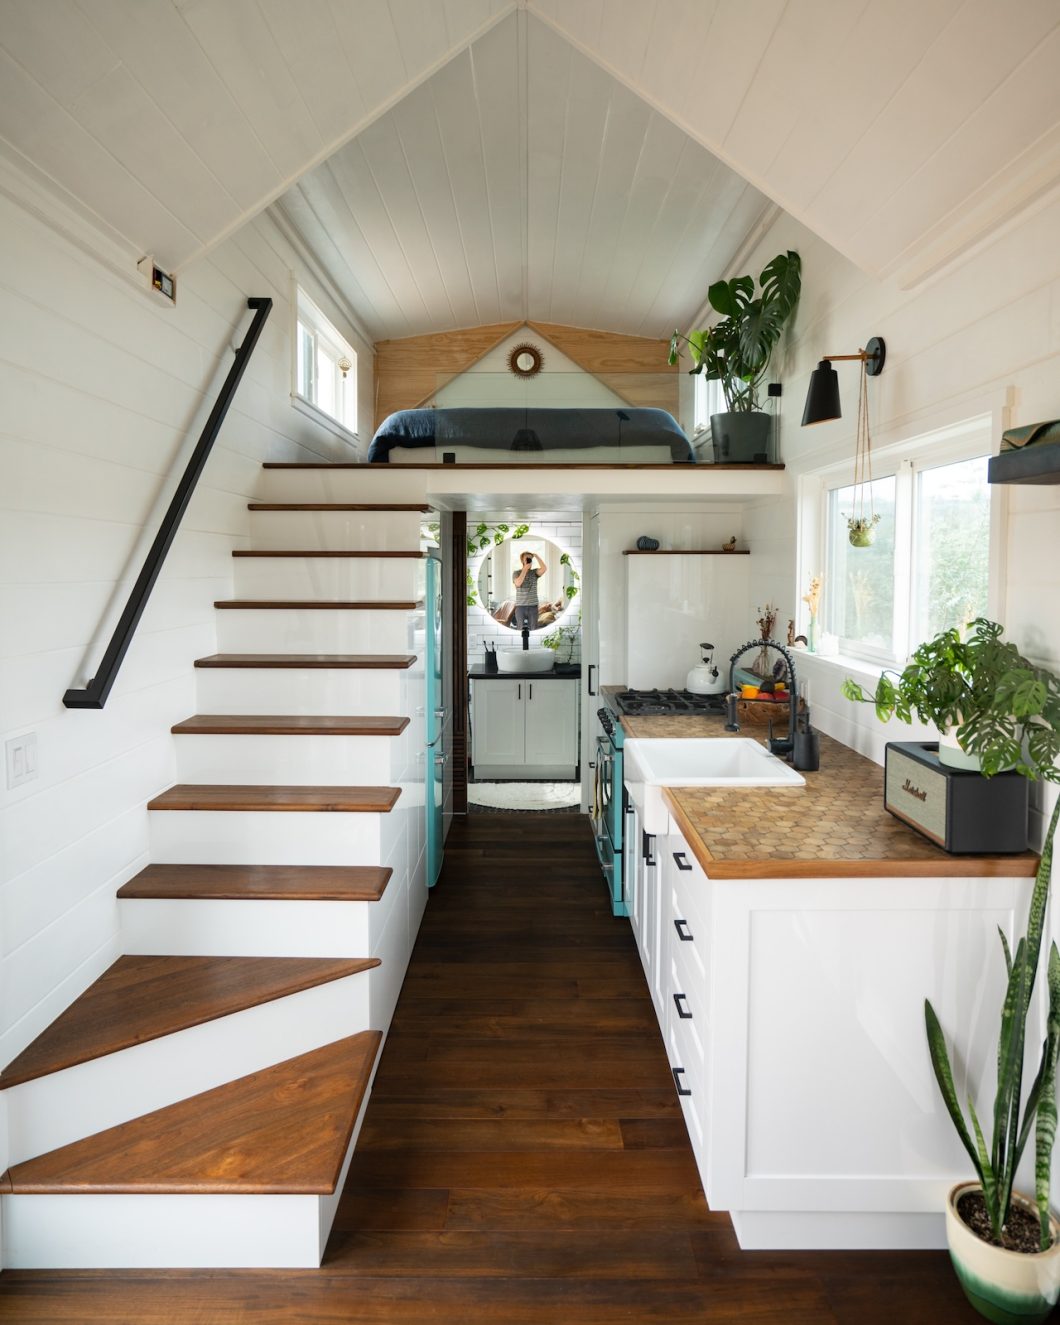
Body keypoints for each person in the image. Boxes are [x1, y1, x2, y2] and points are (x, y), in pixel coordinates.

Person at [511, 550, 547, 631]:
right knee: (520, 629)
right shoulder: (516, 573)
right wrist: (525, 569)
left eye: (530, 558)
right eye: (527, 558)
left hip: (533, 606)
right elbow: (518, 584)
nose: (529, 560)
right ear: (522, 560)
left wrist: (536, 556)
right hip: (520, 607)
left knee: (534, 629)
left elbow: (544, 568)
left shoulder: (534, 572)